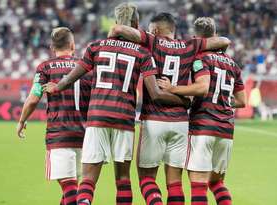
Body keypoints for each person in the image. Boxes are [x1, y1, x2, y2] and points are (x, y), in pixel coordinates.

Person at [43, 3, 189, 205]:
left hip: (97, 117)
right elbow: (155, 93)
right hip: (124, 119)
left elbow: (71, 77)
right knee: (123, 180)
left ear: (115, 23)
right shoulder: (142, 53)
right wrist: (183, 100)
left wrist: (57, 87)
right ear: (136, 24)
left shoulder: (96, 47)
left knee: (88, 181)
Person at [108, 12, 231, 205]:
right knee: (175, 184)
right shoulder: (190, 45)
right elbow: (223, 41)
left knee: (147, 179)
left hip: (154, 120)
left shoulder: (152, 41)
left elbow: (118, 29)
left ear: (155, 30)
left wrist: (110, 41)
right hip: (181, 123)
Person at [158, 17, 246, 205]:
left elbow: (201, 87)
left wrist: (172, 88)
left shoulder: (200, 58)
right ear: (214, 35)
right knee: (217, 183)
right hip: (226, 130)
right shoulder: (233, 64)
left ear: (196, 37)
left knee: (198, 185)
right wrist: (221, 100)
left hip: (203, 127)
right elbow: (241, 101)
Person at [16, 27, 91, 205]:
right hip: (86, 136)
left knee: (69, 186)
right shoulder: (87, 67)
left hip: (59, 135)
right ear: (73, 45)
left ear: (52, 47)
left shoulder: (45, 67)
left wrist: (22, 120)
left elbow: (34, 98)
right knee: (73, 187)